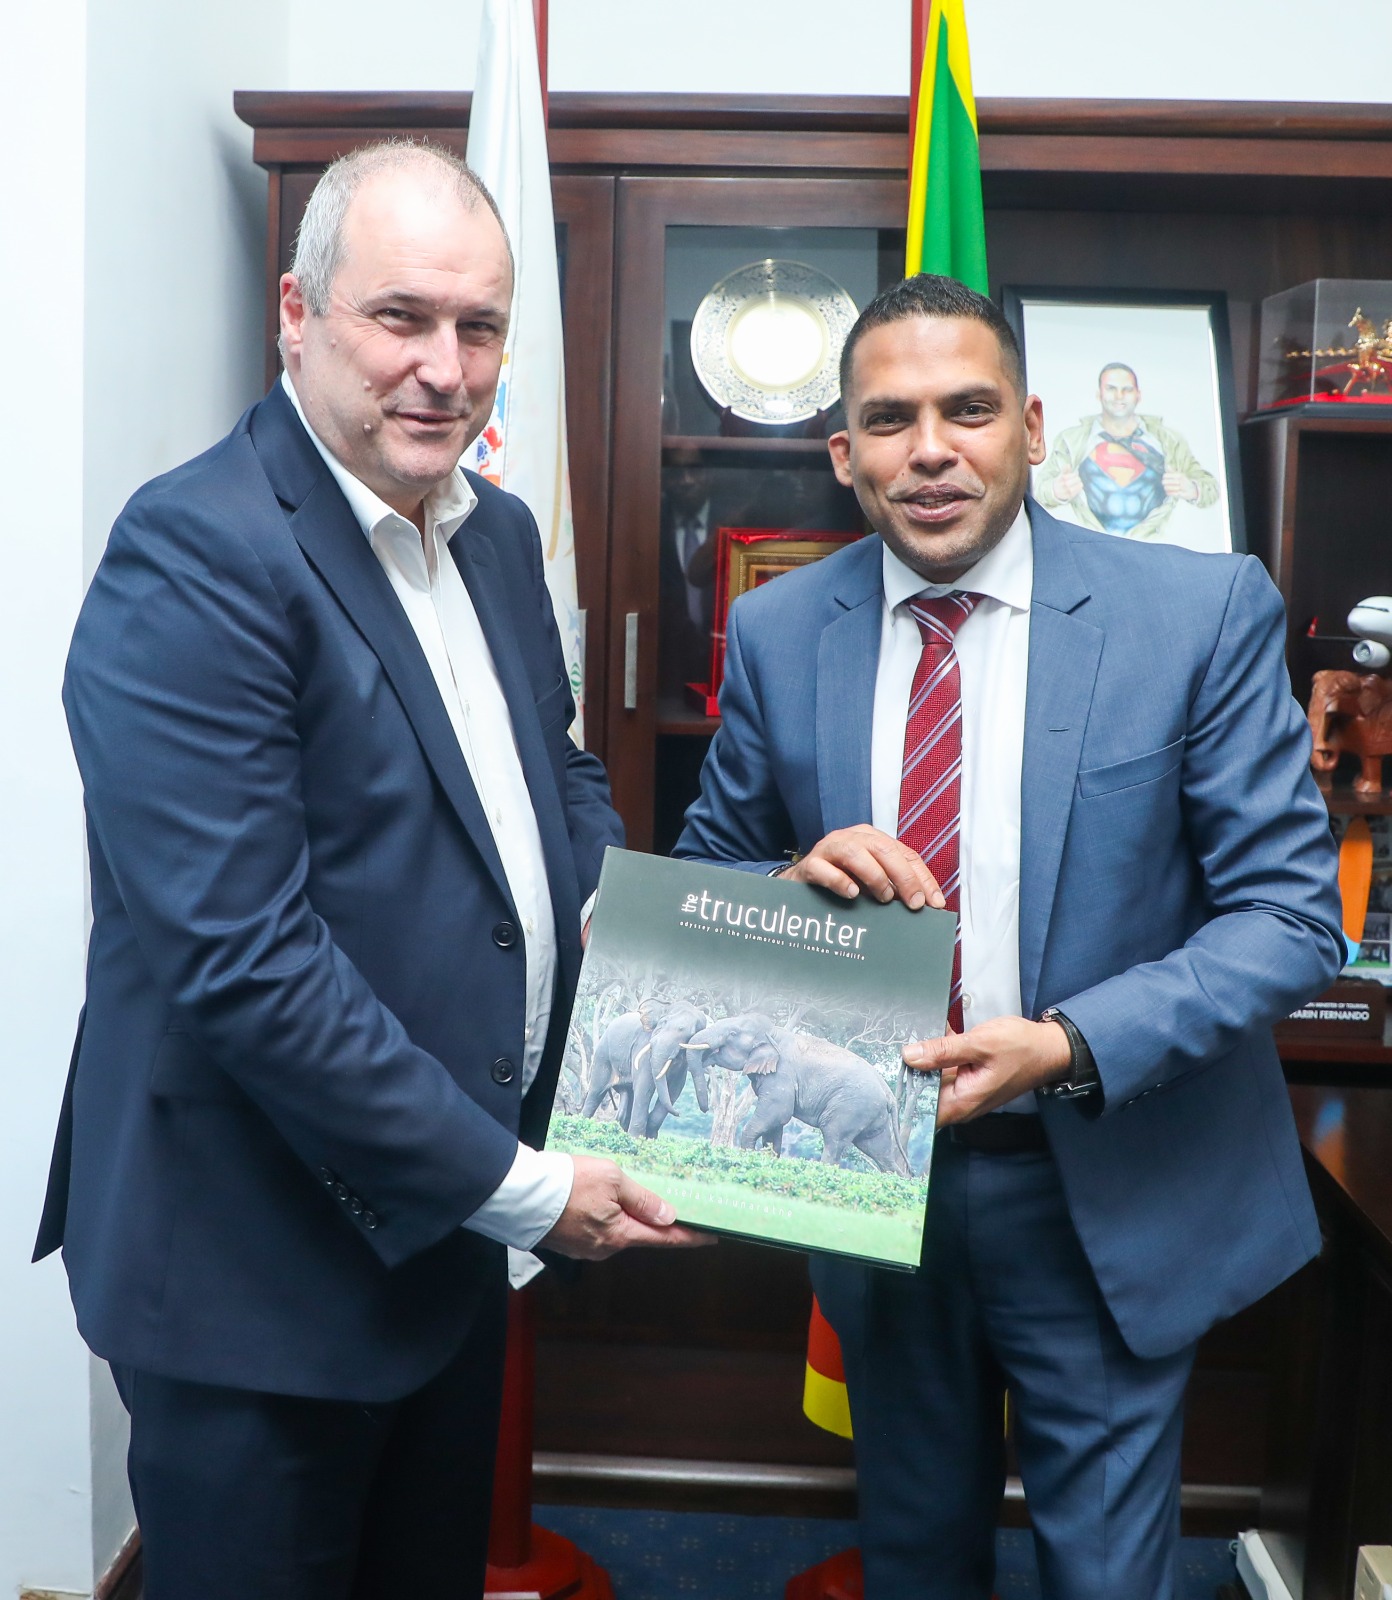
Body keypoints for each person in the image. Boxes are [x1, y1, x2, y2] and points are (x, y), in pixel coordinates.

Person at [34, 139, 704, 1600]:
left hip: (442, 1241)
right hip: (258, 1269)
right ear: (298, 313)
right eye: (400, 317)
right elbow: (244, 963)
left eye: (480, 328)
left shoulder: (494, 532)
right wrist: (523, 1187)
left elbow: (554, 775)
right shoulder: (197, 552)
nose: (445, 371)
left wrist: (648, 925)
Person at [674, 274, 1342, 1598]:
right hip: (874, 1173)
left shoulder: (1197, 613)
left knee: (1105, 1575)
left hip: (1105, 1176)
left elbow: (1288, 917)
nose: (932, 448)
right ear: (844, 455)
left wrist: (1069, 1044)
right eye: (891, 420)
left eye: (968, 409)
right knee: (916, 1557)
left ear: (1032, 428)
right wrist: (792, 878)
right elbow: (709, 879)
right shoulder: (780, 628)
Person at [1035, 360, 1218, 540]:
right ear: (1099, 394)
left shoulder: (1169, 440)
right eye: (1111, 388)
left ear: (1138, 395)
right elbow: (1038, 490)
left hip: (1154, 547)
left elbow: (1212, 489)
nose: (1119, 396)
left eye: (1127, 389)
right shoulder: (1071, 440)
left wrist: (1192, 489)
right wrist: (1056, 491)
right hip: (1090, 548)